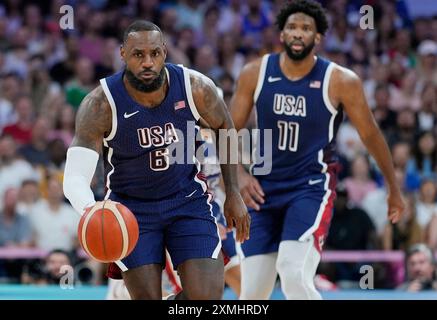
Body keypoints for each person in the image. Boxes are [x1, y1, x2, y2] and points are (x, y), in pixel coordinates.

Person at [229, 0, 405, 300]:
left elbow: (371, 135)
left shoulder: (340, 80)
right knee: (251, 293)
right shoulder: (254, 73)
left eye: (306, 28)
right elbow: (228, 132)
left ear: (318, 37)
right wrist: (239, 176)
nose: (298, 33)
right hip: (261, 192)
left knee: (294, 273)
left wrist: (392, 186)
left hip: (309, 189)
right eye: (292, 28)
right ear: (282, 35)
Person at [63, 20, 249, 300]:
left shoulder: (194, 87)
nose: (148, 62)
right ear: (123, 54)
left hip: (188, 201)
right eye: (138, 54)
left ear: (164, 52)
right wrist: (92, 209)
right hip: (132, 210)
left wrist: (233, 191)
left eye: (155, 53)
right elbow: (74, 178)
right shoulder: (100, 104)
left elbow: (225, 128)